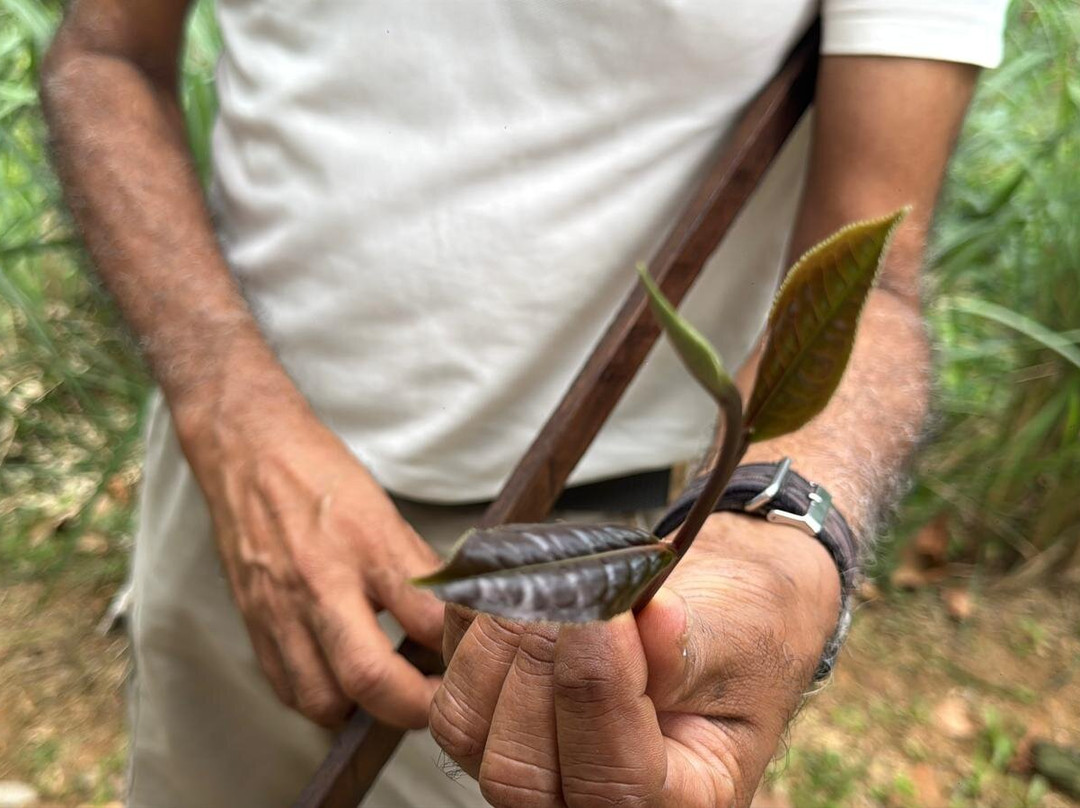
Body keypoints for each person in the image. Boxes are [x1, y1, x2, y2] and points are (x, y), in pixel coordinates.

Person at [41, 1, 1008, 806]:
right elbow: (104, 56)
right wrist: (230, 420)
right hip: (226, 487)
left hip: (616, 544)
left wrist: (781, 542)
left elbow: (871, 272)